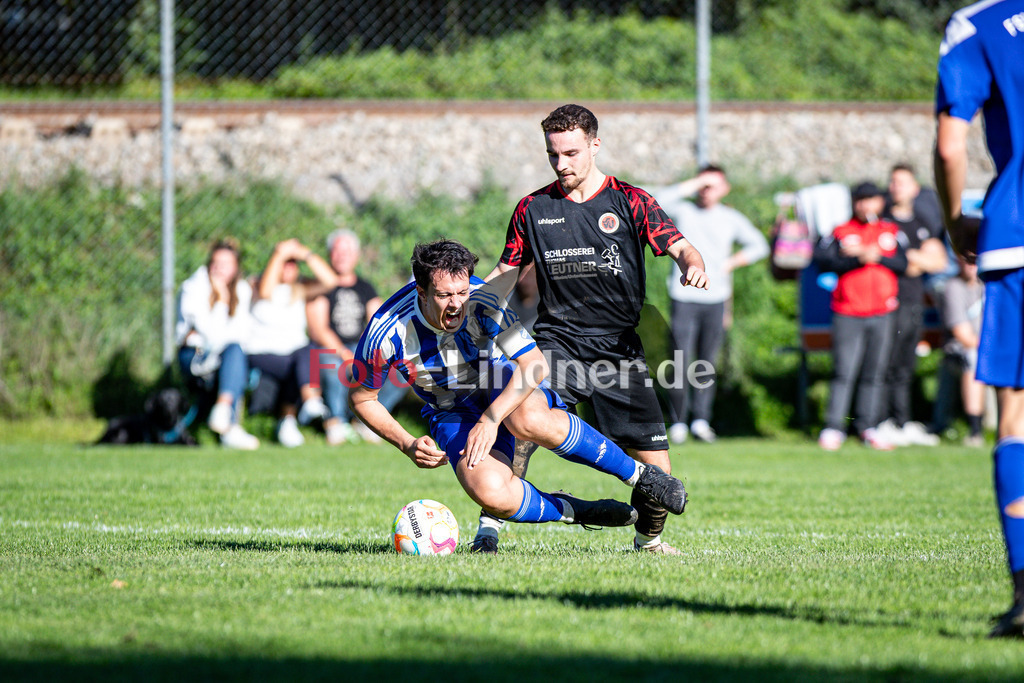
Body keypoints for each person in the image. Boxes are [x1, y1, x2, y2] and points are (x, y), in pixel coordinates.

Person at [475, 103, 709, 555]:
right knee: (521, 422)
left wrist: (693, 265)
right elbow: (505, 273)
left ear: (595, 145)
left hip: (620, 352)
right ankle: (489, 529)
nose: (561, 164)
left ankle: (648, 543)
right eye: (553, 154)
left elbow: (680, 246)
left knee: (659, 470)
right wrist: (473, 302)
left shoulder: (630, 201)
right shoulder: (533, 208)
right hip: (557, 343)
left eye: (571, 153)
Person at [349, 240, 688, 538]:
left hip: (500, 382)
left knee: (526, 417)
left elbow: (534, 365)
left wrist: (491, 419)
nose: (456, 304)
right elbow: (362, 398)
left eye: (462, 292)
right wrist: (407, 443)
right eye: (444, 295)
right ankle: (573, 510)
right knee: (491, 492)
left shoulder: (483, 300)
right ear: (421, 293)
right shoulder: (386, 331)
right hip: (451, 410)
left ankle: (641, 476)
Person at [934, 0, 1024, 637]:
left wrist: (954, 220)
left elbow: (950, 146)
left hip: (1016, 237)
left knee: (1015, 419)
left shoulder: (978, 23)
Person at [653, 164, 769, 444]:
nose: (706, 191)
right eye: (703, 185)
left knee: (706, 362)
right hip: (684, 297)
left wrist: (731, 263)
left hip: (715, 299)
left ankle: (701, 421)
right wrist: (693, 183)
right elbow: (656, 202)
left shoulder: (730, 218)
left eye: (712, 185)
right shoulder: (684, 211)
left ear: (725, 189)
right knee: (680, 360)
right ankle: (678, 422)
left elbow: (759, 245)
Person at [814, 181, 908, 451]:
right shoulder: (840, 231)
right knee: (844, 371)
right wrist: (856, 259)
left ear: (880, 202)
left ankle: (868, 426)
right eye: (861, 200)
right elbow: (823, 261)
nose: (866, 205)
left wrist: (876, 256)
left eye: (872, 199)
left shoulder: (891, 231)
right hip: (848, 312)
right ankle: (834, 427)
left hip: (883, 312)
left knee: (875, 372)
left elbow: (903, 264)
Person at [307, 229, 406, 445]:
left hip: (361, 347)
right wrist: (345, 354)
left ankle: (368, 420)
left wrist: (365, 352)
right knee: (330, 364)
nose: (342, 256)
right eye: (337, 251)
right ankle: (336, 422)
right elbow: (318, 329)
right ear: (329, 254)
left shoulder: (366, 288)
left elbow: (377, 323)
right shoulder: (321, 287)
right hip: (330, 348)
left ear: (356, 256)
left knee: (402, 371)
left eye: (347, 251)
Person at [876, 164, 948, 447]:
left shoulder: (922, 222)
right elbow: (895, 261)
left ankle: (902, 421)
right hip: (886, 302)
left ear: (915, 188)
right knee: (887, 362)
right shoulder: (882, 222)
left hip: (912, 301)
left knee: (905, 365)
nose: (896, 187)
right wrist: (914, 258)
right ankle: (882, 421)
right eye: (893, 181)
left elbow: (937, 261)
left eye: (902, 182)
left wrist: (910, 258)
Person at [246, 238, 337, 447]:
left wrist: (305, 254)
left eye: (292, 263)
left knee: (308, 351)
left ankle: (292, 418)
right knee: (299, 362)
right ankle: (306, 404)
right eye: (284, 263)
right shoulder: (257, 285)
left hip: (294, 354)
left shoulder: (299, 289)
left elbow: (330, 281)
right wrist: (280, 252)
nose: (288, 267)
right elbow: (266, 291)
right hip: (261, 352)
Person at [175, 238, 259, 450]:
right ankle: (229, 426)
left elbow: (243, 334)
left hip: (225, 354)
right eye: (216, 263)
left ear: (236, 267)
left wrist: (225, 334)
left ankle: (224, 414)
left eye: (226, 264)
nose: (219, 269)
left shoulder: (242, 290)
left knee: (235, 352)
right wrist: (221, 300)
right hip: (194, 356)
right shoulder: (193, 288)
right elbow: (213, 337)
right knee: (234, 356)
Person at [930, 255, 986, 446]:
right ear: (959, 262)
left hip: (988, 348)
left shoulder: (988, 286)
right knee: (973, 358)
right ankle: (975, 430)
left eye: (975, 261)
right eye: (967, 261)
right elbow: (963, 335)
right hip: (959, 351)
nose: (972, 266)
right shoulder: (953, 287)